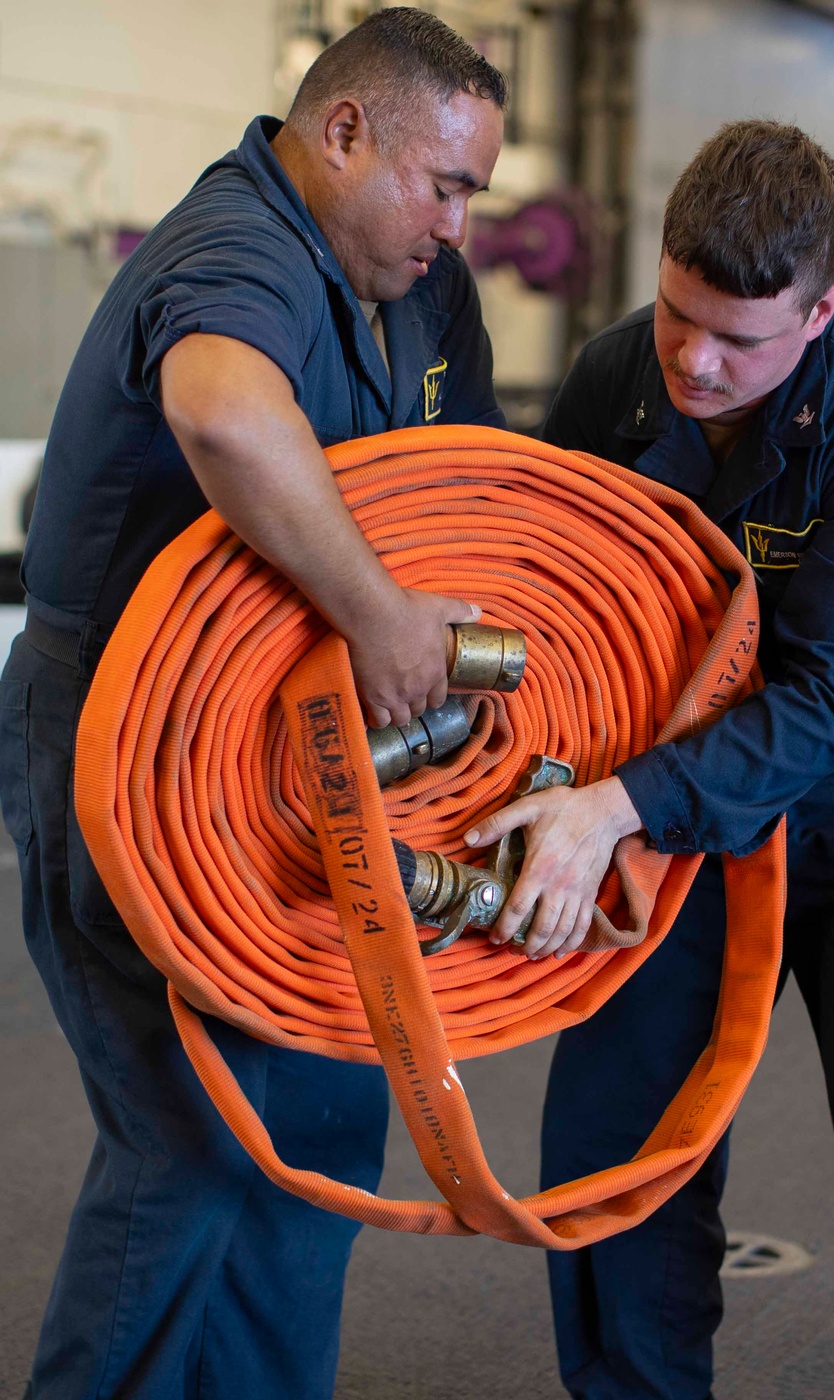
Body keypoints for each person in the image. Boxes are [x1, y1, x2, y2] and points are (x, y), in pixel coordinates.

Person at [0, 10, 505, 1398]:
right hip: (122, 733)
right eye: (444, 183)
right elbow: (225, 411)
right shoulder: (239, 244)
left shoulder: (419, 281)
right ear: (342, 133)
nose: (461, 224)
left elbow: (460, 480)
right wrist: (384, 616)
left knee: (328, 1123)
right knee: (193, 1139)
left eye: (476, 191)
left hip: (292, 743)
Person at [468, 121, 834, 1399]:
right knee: (617, 1110)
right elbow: (561, 601)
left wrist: (621, 805)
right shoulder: (614, 379)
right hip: (689, 745)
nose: (697, 362)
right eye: (677, 316)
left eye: (740, 339)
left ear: (821, 310)